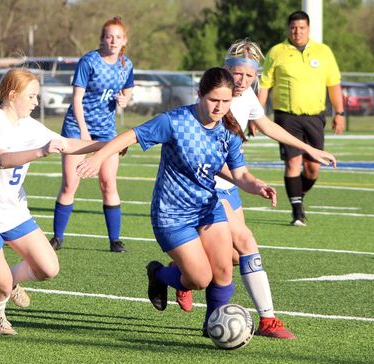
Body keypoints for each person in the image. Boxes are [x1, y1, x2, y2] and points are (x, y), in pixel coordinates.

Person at [77, 67, 277, 338]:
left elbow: (240, 174)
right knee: (198, 279)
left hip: (208, 208)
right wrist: (99, 157)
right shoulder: (176, 122)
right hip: (171, 214)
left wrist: (259, 186)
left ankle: (211, 326)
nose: (219, 107)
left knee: (222, 270)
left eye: (226, 102)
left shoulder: (229, 131)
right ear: (199, 95)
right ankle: (159, 275)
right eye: (213, 100)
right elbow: (131, 135)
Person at [173, 39, 338, 340]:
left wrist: (309, 149)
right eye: (238, 74)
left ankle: (176, 276)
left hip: (231, 183)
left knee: (233, 257)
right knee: (247, 242)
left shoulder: (247, 95)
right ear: (226, 68)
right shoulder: (212, 96)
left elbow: (267, 126)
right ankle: (268, 319)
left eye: (250, 76)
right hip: (206, 186)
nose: (243, 81)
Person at [0, 68, 103, 335]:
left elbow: (65, 144)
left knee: (48, 268)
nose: (36, 102)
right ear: (12, 94)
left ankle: (7, 283)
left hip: (13, 211)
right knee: (1, 286)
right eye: (32, 96)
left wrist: (107, 145)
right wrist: (41, 151)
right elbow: (2, 160)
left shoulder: (27, 124)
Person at [49, 16, 134, 253]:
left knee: (108, 183)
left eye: (118, 37)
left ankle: (114, 240)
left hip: (106, 131)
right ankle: (57, 237)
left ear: (124, 40)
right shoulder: (89, 61)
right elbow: (77, 99)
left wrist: (125, 99)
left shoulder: (126, 64)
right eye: (109, 36)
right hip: (78, 127)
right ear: (102, 39)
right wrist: (83, 132)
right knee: (70, 183)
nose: (113, 41)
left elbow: (128, 91)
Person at [258, 10, 345, 226]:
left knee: (313, 168)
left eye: (302, 28)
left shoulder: (323, 52)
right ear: (288, 29)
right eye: (293, 28)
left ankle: (298, 195)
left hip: (315, 116)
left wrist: (340, 113)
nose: (297, 32)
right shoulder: (277, 52)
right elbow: (265, 86)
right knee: (293, 162)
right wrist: (255, 115)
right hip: (287, 117)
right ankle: (297, 212)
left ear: (308, 29)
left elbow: (333, 84)